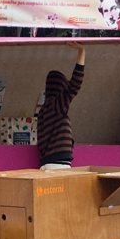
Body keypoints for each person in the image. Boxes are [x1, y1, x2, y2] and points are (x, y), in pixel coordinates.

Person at [37, 42, 85, 170]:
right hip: (58, 164)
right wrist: (82, 51)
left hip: (46, 164)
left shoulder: (43, 111)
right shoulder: (57, 106)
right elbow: (75, 84)